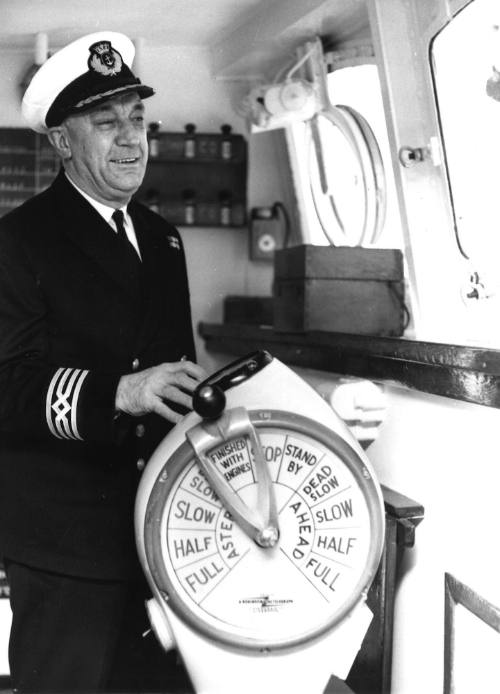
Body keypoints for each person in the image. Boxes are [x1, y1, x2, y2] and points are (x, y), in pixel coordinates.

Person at [0, 31, 206, 693]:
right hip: (64, 548)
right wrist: (118, 393)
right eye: (106, 122)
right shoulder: (19, 241)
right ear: (62, 142)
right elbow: (8, 387)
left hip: (163, 536)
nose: (130, 139)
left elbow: (176, 370)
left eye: (138, 120)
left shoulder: (162, 238)